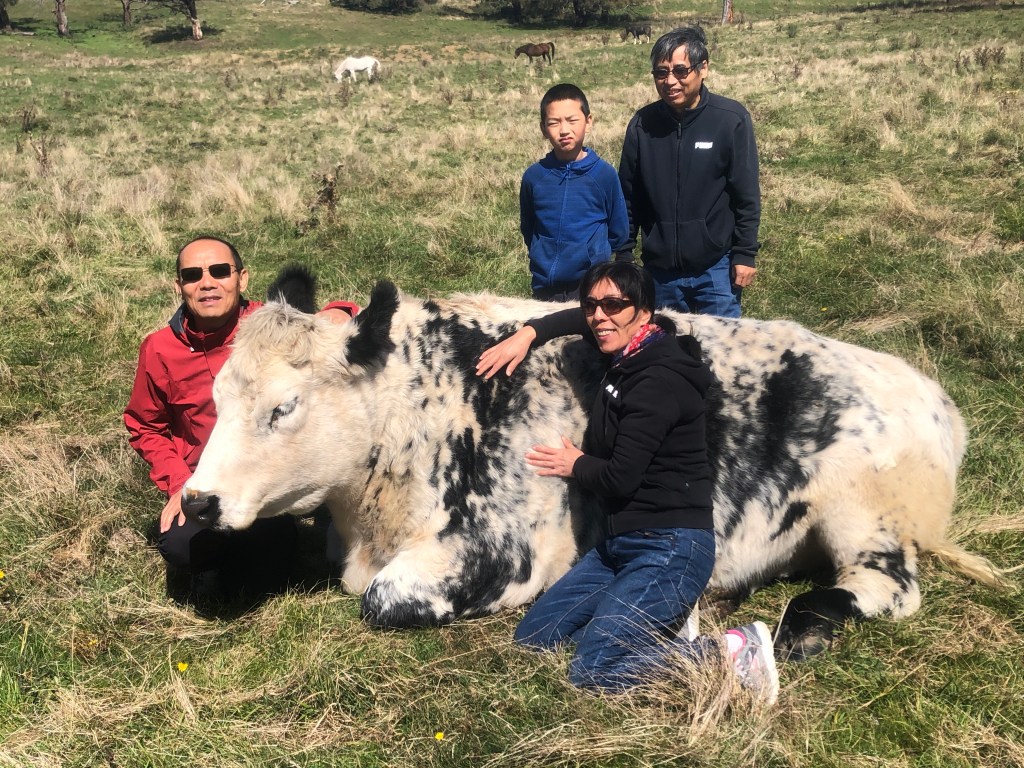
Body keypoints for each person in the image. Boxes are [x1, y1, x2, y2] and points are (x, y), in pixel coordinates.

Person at [476, 261, 778, 701]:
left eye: (615, 305)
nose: (600, 316)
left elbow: (620, 477)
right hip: (619, 547)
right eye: (592, 305)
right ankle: (657, 628)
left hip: (670, 547)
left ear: (644, 311)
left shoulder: (658, 379)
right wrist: (529, 333)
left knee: (593, 669)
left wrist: (576, 463)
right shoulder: (629, 353)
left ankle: (729, 654)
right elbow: (582, 319)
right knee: (534, 639)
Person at [124, 236, 360, 602]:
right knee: (181, 547)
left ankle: (283, 530)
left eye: (220, 271)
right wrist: (179, 483)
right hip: (208, 478)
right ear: (179, 285)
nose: (207, 283)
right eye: (192, 275)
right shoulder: (159, 349)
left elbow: (330, 327)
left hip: (270, 470)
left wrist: (341, 311)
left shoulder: (270, 329)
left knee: (262, 580)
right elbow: (145, 426)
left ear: (242, 278)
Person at [617, 25, 761, 318]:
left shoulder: (730, 120)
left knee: (721, 345)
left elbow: (745, 193)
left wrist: (745, 253)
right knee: (664, 345)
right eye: (661, 72)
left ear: (703, 68)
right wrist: (624, 254)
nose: (670, 81)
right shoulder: (642, 125)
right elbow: (628, 196)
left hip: (716, 269)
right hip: (659, 272)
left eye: (681, 71)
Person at [521, 83, 629, 302]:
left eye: (572, 120)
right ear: (543, 129)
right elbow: (529, 227)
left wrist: (595, 259)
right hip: (545, 289)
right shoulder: (534, 177)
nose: (564, 130)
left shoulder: (604, 175)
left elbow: (618, 231)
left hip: (591, 287)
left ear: (588, 122)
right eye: (554, 122)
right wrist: (541, 255)